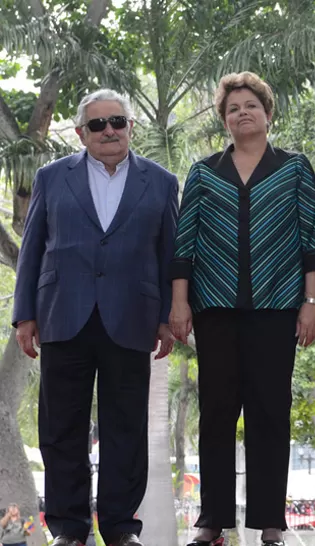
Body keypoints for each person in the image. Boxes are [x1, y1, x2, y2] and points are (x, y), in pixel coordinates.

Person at [12, 88, 178, 546]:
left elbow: (170, 255)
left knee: (126, 427)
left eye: (117, 122)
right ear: (82, 133)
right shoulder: (52, 177)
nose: (109, 131)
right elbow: (32, 249)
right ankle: (69, 528)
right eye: (98, 124)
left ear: (130, 127)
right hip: (63, 315)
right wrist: (25, 314)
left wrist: (167, 315)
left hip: (132, 318)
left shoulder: (161, 181)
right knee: (61, 428)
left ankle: (122, 528)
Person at [169, 72, 315, 546]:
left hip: (277, 307)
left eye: (250, 105)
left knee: (269, 412)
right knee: (216, 412)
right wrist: (179, 303)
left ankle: (270, 521)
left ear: (267, 112)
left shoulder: (294, 168)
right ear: (224, 118)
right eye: (233, 107)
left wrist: (311, 303)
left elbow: (312, 240)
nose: (242, 112)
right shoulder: (202, 172)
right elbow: (184, 245)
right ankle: (211, 519)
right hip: (214, 308)